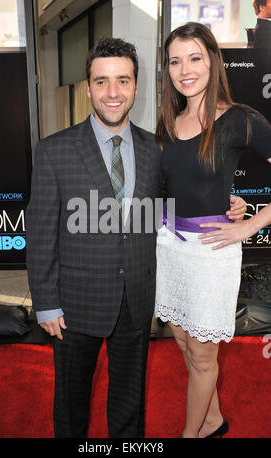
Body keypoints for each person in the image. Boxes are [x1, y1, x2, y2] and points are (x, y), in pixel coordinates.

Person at [26, 36, 246, 439]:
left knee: (129, 401)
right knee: (71, 403)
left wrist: (230, 203)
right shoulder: (54, 151)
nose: (113, 93)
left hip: (136, 298)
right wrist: (45, 304)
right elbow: (40, 233)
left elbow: (175, 202)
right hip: (74, 303)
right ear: (88, 86)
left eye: (123, 81)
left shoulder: (154, 147)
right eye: (102, 82)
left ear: (136, 87)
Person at [154, 22, 271, 439]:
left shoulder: (239, 119)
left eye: (195, 57)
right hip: (169, 247)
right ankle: (214, 421)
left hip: (211, 252)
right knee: (185, 346)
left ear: (212, 61)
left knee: (203, 358)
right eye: (175, 60)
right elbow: (172, 188)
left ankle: (191, 435)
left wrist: (252, 224)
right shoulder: (168, 122)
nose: (184, 69)